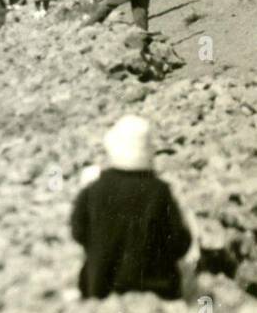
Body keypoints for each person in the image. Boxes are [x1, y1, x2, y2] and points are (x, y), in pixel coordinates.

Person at [71, 116, 193, 300]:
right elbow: (180, 242)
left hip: (101, 290)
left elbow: (78, 232)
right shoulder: (160, 192)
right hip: (156, 292)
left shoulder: (94, 190)